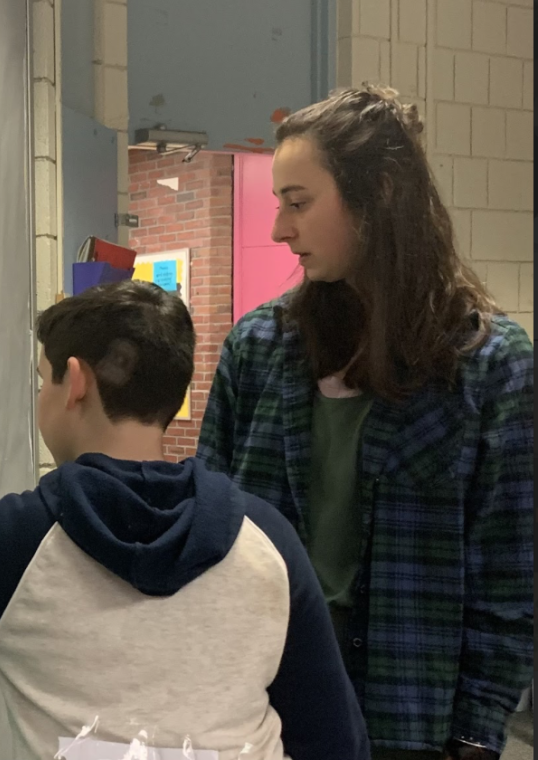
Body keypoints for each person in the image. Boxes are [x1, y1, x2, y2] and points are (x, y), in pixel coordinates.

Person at [0, 280, 370, 760]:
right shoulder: (267, 541)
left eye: (44, 380)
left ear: (77, 382)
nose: (42, 395)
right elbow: (333, 739)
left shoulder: (20, 541)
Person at [197, 86, 534, 760]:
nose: (279, 230)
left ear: (378, 195)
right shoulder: (258, 349)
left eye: (298, 202)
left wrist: (477, 729)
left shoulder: (491, 364)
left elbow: (507, 572)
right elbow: (208, 524)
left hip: (408, 713)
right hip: (263, 703)